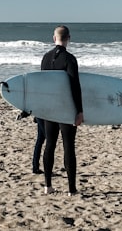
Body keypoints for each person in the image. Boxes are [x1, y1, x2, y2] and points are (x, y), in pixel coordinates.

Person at [40, 25, 84, 196]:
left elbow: (41, 86)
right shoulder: (70, 59)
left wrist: (40, 109)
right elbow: (75, 86)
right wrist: (79, 110)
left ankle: (47, 186)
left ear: (54, 38)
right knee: (68, 147)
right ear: (69, 38)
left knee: (49, 145)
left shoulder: (45, 58)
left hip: (49, 109)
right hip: (66, 109)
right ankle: (71, 189)